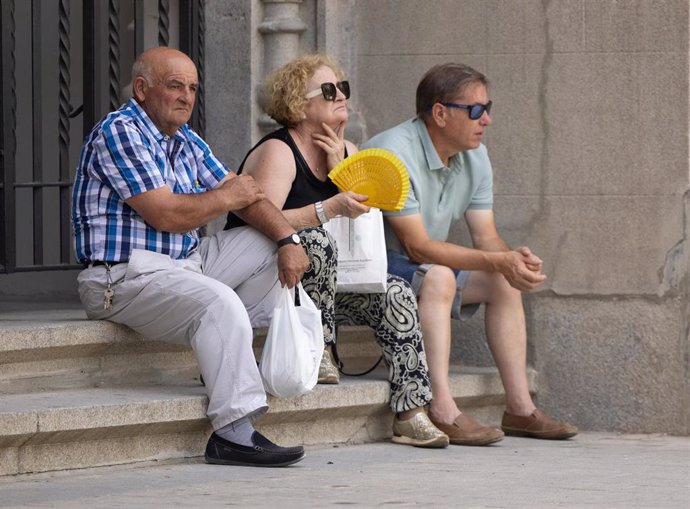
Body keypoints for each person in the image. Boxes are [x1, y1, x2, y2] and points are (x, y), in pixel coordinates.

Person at [71, 46, 311, 467]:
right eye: (175, 86)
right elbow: (165, 214)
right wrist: (226, 196)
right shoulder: (121, 131)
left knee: (265, 244)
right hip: (123, 277)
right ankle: (233, 434)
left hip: (186, 263)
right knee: (220, 302)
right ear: (142, 89)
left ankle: (222, 357)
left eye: (193, 88)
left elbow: (248, 197)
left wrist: (288, 239)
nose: (186, 96)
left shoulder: (184, 139)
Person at [225, 54, 449, 448]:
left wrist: (340, 170)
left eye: (342, 88)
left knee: (395, 291)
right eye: (328, 91)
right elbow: (263, 221)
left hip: (328, 285)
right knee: (312, 240)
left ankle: (412, 410)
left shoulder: (346, 149)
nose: (340, 96)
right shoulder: (280, 150)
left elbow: (364, 224)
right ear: (298, 102)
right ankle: (322, 348)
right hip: (271, 283)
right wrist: (329, 205)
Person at [362, 63, 578, 444]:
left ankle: (521, 410)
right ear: (441, 113)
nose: (487, 120)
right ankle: (442, 408)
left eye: (487, 107)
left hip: (422, 265)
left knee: (502, 283)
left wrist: (514, 261)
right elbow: (417, 246)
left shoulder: (475, 156)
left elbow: (487, 237)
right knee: (441, 274)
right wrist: (498, 261)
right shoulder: (392, 151)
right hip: (377, 267)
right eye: (476, 110)